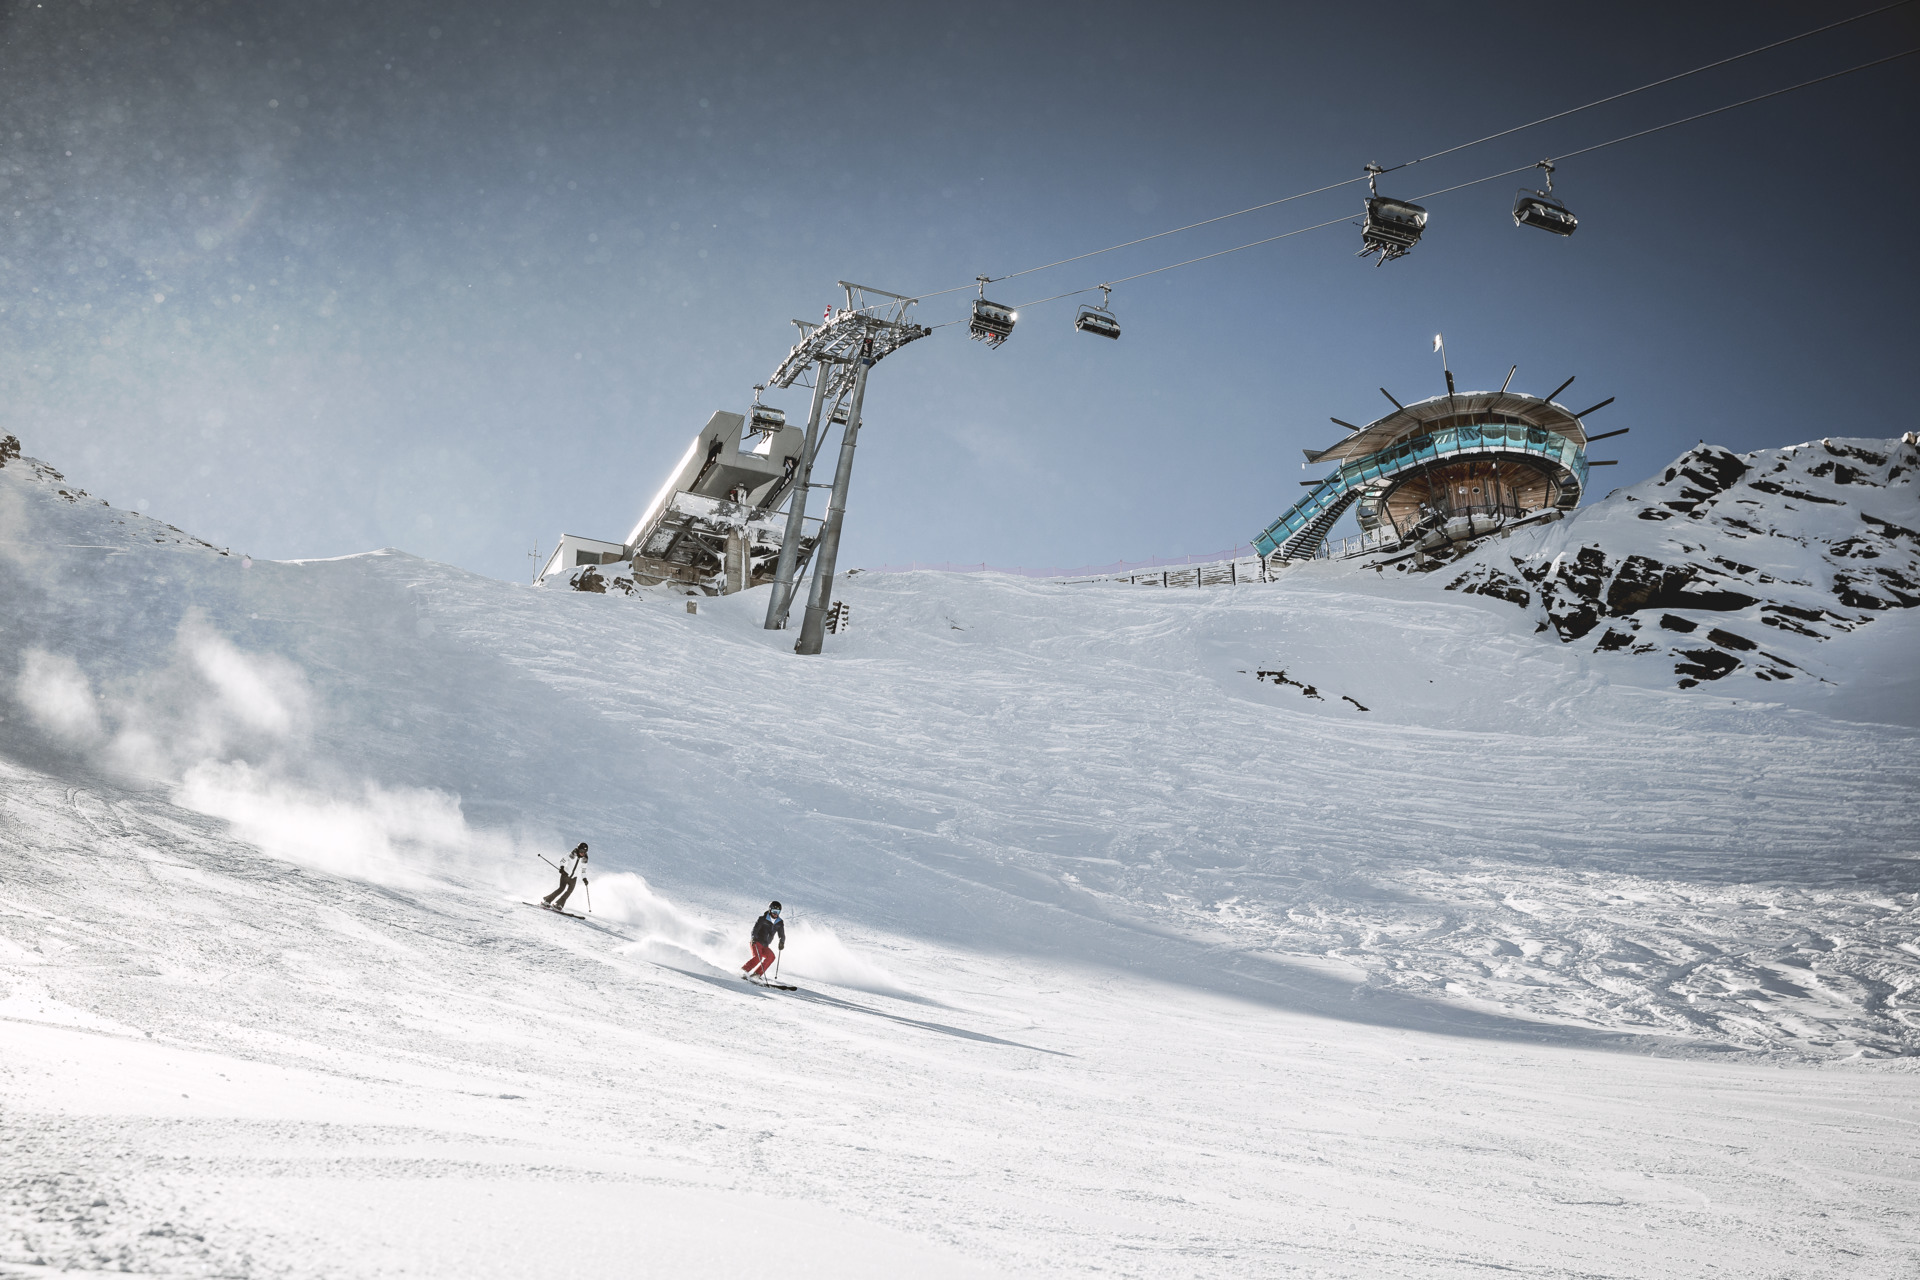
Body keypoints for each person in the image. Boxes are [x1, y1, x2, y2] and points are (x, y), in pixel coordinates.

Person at [742, 901, 785, 979]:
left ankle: (756, 975)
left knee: (771, 957)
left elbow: (781, 934)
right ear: (770, 910)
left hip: (765, 945)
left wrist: (782, 941)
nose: (775, 914)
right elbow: (755, 930)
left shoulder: (779, 922)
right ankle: (743, 971)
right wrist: (753, 937)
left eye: (778, 912)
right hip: (756, 942)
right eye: (774, 911)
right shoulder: (762, 919)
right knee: (758, 957)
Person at [542, 843, 589, 911]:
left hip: (573, 878)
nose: (583, 853)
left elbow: (583, 870)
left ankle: (559, 904)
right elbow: (562, 861)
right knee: (561, 889)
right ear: (578, 849)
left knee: (569, 891)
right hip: (566, 874)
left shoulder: (584, 859)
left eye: (585, 852)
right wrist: (562, 868)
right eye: (581, 851)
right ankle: (547, 901)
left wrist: (584, 879)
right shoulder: (571, 855)